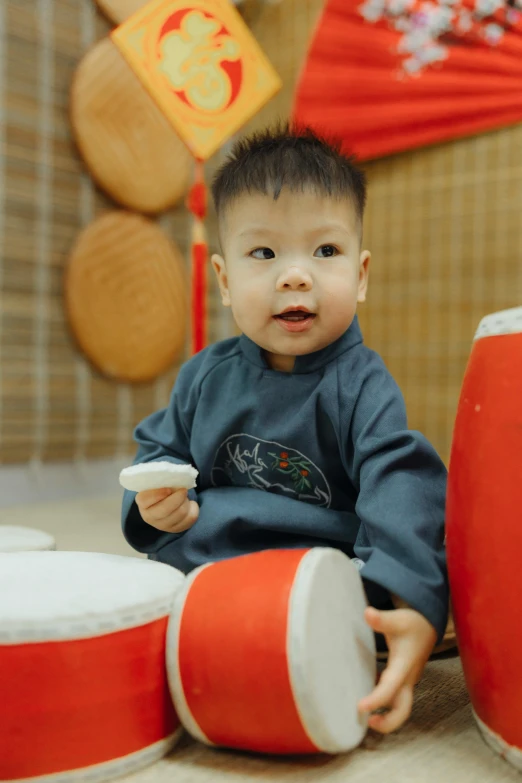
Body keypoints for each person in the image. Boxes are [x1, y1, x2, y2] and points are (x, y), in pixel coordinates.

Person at [121, 126, 448, 734]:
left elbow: (399, 482)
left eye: (325, 252)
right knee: (129, 612)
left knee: (398, 558)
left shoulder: (361, 385)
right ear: (224, 280)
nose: (295, 276)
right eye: (264, 254)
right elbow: (159, 450)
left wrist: (409, 602)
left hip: (319, 575)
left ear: (362, 273)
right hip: (210, 563)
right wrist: (155, 503)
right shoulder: (204, 377)